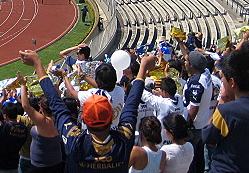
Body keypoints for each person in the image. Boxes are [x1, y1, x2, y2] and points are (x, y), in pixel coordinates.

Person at [19, 49, 158, 172]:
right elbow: (132, 103)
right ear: (111, 116)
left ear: (84, 119)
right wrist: (143, 67)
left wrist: (38, 64)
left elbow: (56, 104)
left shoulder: (75, 141)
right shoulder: (124, 139)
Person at [202, 50, 249, 172]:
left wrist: (222, 101)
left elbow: (207, 137)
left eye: (223, 79)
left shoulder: (226, 111)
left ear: (232, 82)